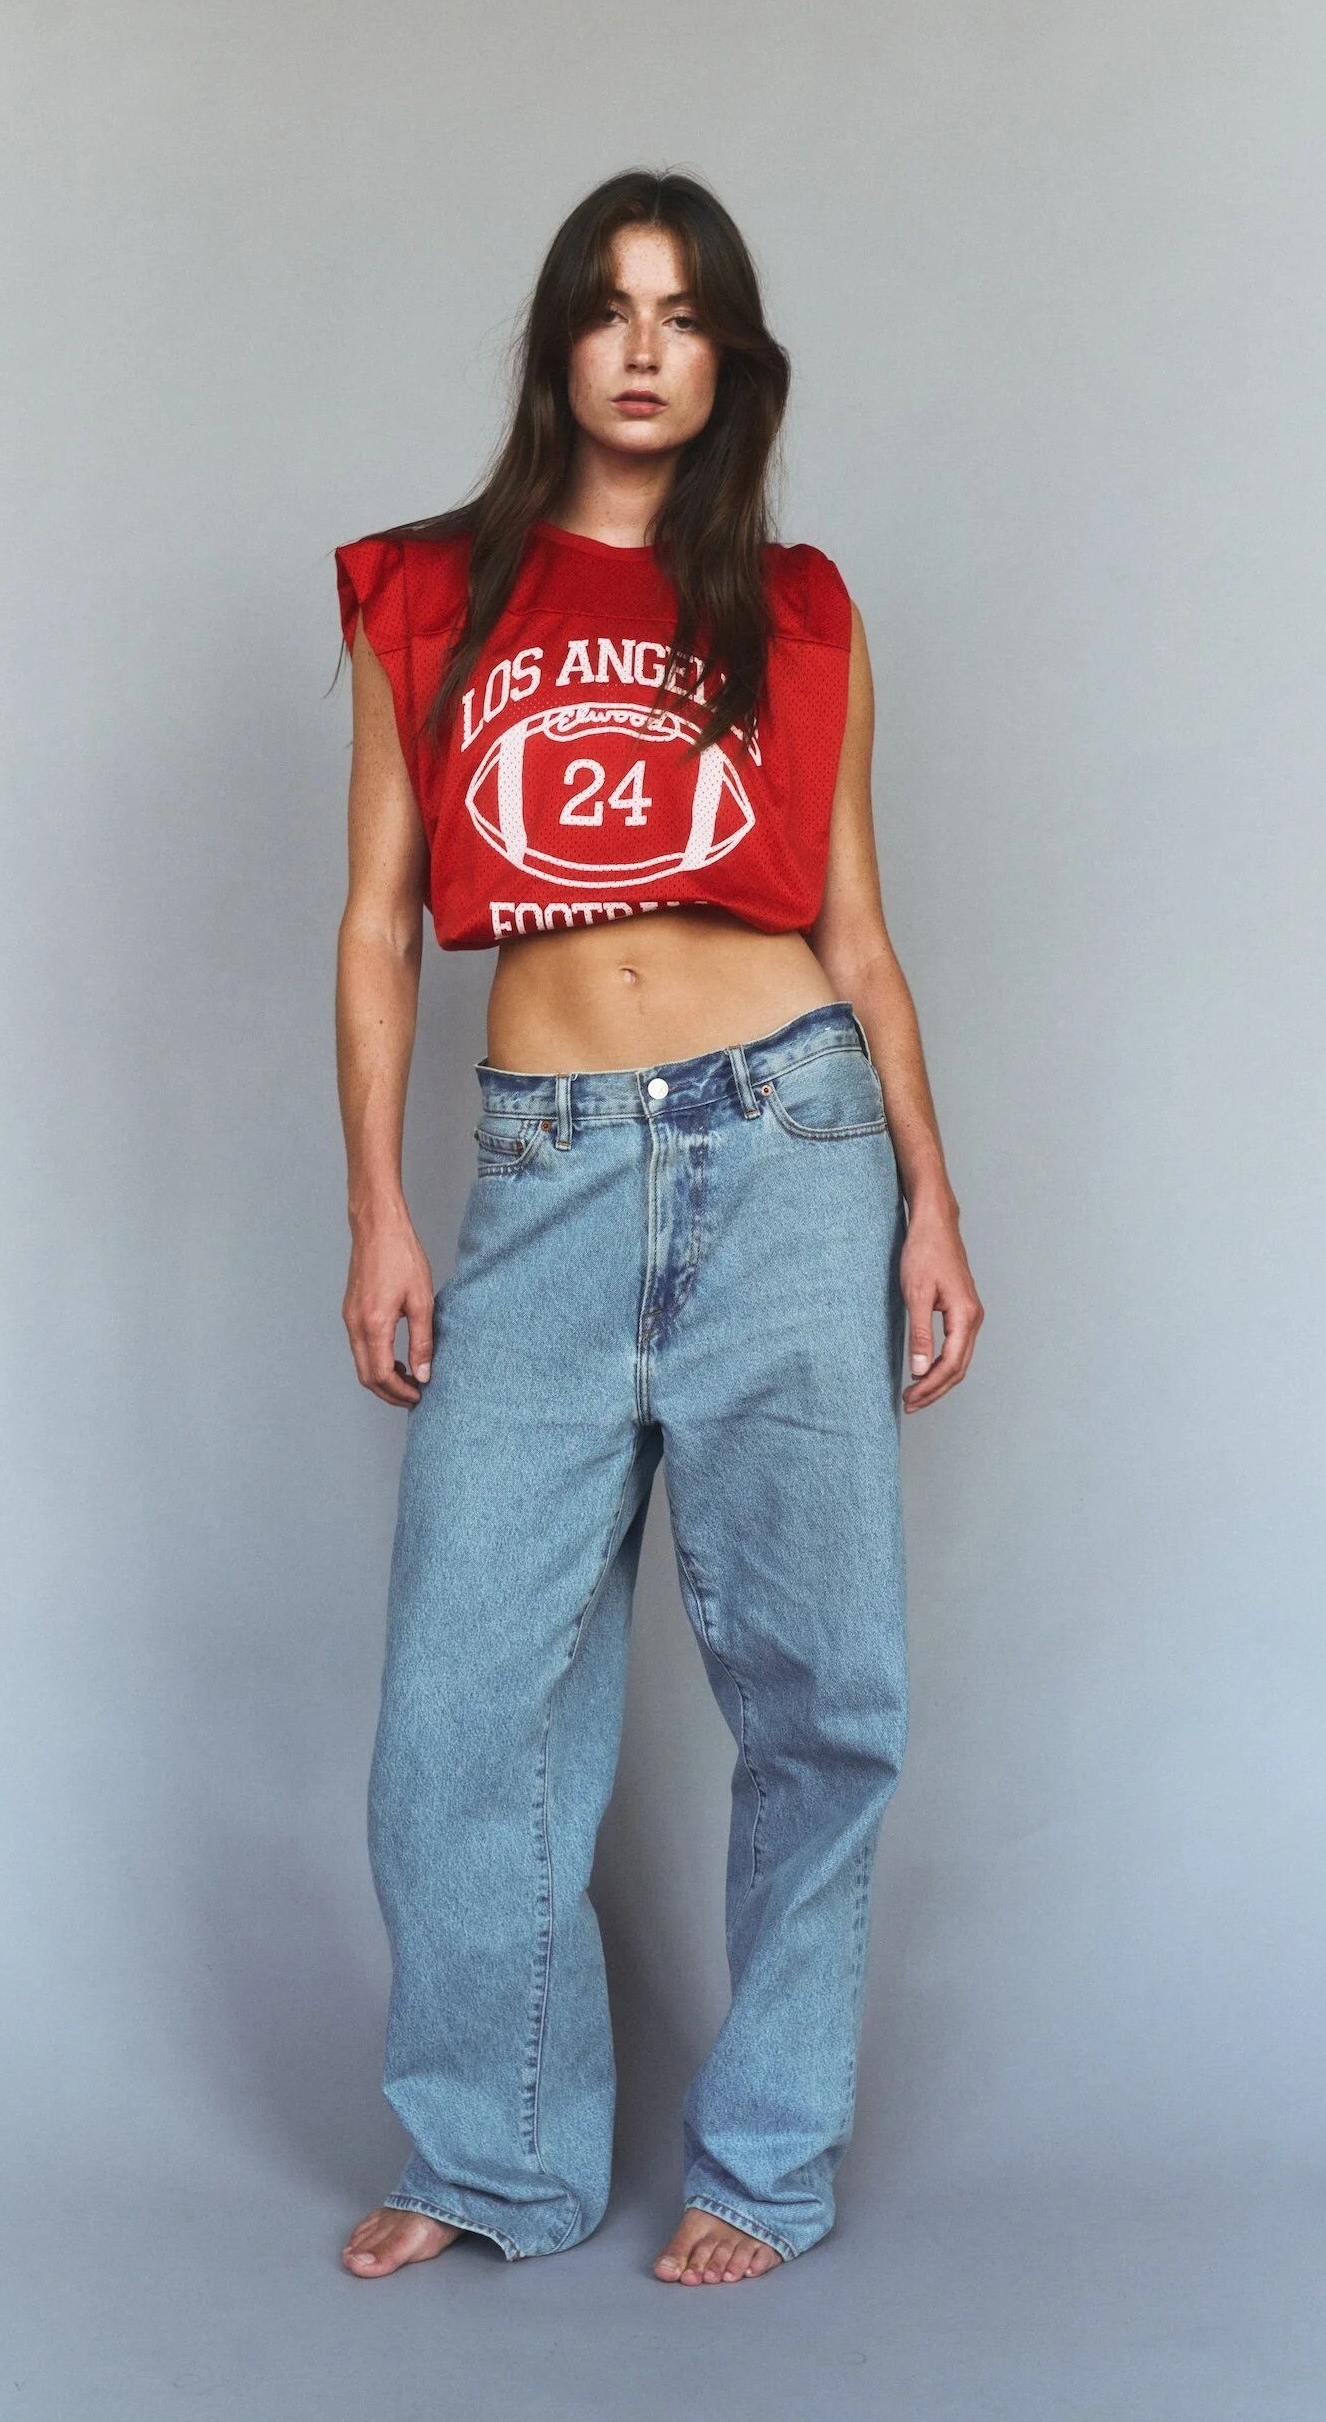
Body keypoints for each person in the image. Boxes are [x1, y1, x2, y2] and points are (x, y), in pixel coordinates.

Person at [331, 169, 982, 2289]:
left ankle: (763, 2161)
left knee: (817, 1689)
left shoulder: (795, 610)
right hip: (536, 1173)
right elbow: (374, 926)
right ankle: (496, 2155)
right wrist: (380, 1208)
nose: (641, 347)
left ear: (727, 362)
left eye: (684, 313)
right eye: (609, 307)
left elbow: (858, 932)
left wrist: (929, 1198)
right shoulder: (427, 592)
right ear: (556, 341)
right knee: (463, 1705)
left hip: (791, 1146)